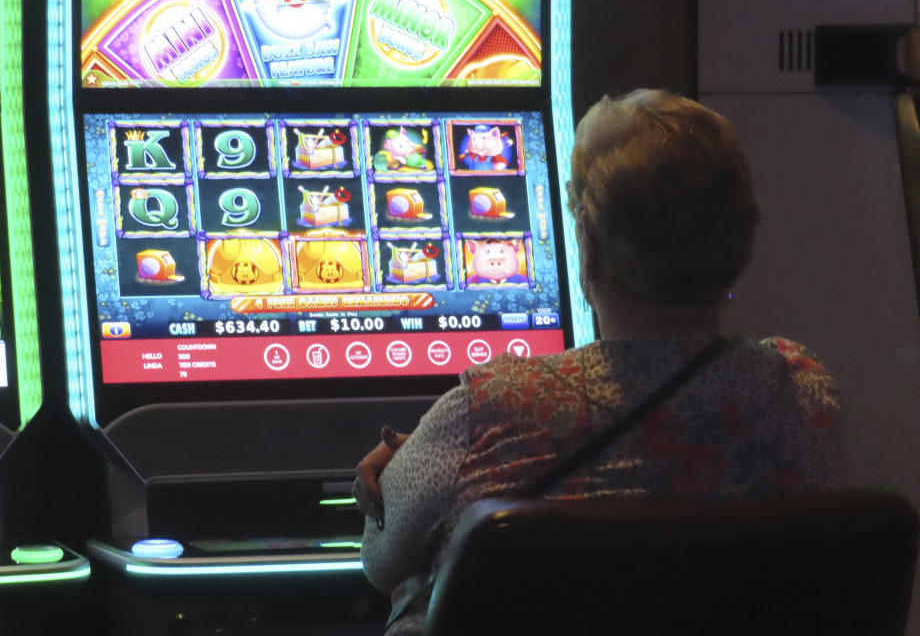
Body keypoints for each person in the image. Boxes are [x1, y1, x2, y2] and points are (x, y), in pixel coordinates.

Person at [352, 90, 844, 635]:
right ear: (740, 234)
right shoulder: (797, 390)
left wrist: (414, 466)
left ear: (587, 237)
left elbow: (379, 560)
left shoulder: (493, 406)